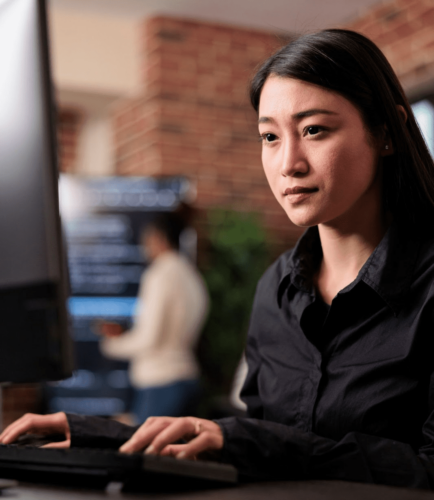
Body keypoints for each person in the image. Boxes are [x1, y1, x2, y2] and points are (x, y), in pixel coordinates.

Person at [3, 28, 434, 489]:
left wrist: (258, 444)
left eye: (314, 130)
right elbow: (262, 452)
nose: (289, 162)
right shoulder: (278, 287)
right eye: (269, 137)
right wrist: (106, 441)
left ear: (386, 133)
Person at [98, 211, 209, 423]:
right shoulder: (192, 276)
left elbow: (149, 338)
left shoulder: (159, 274)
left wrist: (112, 344)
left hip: (160, 384)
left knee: (146, 453)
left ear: (158, 237)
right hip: (187, 380)